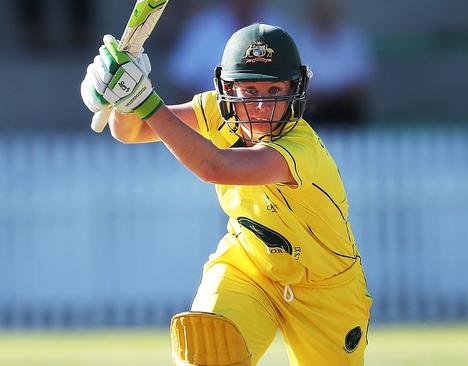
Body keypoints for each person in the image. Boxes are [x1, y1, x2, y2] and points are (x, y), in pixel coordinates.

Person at [80, 23, 372, 366]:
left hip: (326, 290)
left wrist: (142, 99)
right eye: (249, 90)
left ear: (295, 89)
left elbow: (213, 166)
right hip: (249, 266)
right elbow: (133, 130)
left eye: (274, 89)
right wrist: (119, 100)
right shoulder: (215, 112)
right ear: (227, 89)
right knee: (208, 352)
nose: (262, 104)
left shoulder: (300, 149)